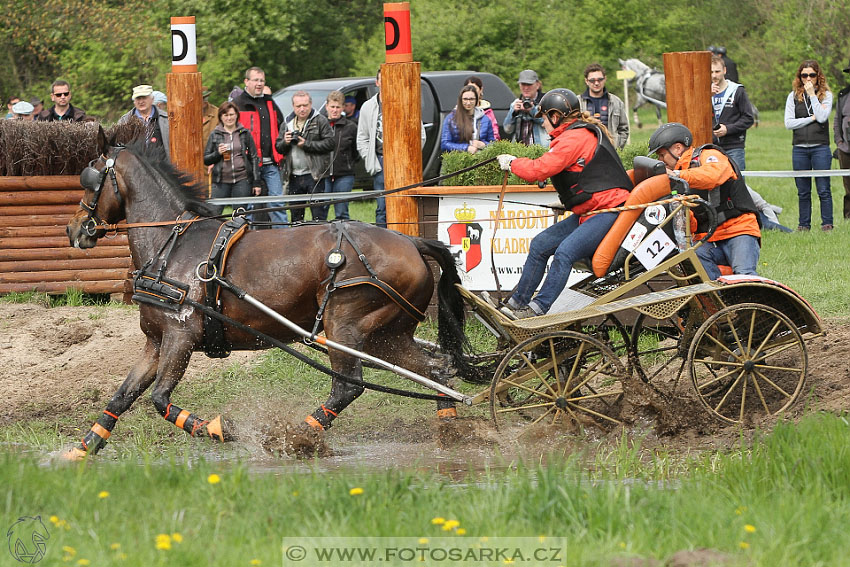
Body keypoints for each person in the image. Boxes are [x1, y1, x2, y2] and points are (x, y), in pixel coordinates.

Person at [496, 89, 633, 319]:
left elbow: (538, 169)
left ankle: (536, 309)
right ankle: (516, 304)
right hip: (590, 211)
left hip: (608, 212)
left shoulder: (573, 138)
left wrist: (512, 163)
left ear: (555, 116)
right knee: (540, 244)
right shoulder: (572, 135)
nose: (542, 124)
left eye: (544, 118)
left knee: (565, 252)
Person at [648, 122, 761, 280]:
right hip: (709, 238)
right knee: (695, 262)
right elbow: (692, 225)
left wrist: (677, 175)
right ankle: (717, 298)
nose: (660, 160)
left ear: (677, 148)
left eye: (661, 155)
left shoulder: (707, 155)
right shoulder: (675, 181)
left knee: (744, 274)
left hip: (739, 230)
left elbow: (713, 175)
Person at [356, 68, 426, 228]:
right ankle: (382, 241)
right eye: (382, 81)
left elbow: (420, 135)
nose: (386, 84)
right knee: (382, 207)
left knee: (405, 203)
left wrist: (410, 158)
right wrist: (370, 159)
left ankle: (406, 238)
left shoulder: (405, 104)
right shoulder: (368, 107)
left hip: (403, 162)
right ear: (377, 82)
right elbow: (362, 138)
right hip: (381, 161)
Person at [784, 60, 834, 231]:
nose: (808, 79)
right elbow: (789, 123)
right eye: (804, 75)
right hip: (799, 148)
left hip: (820, 146)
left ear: (818, 76)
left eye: (811, 75)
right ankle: (803, 224)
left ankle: (827, 224)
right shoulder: (792, 96)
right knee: (803, 191)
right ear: (800, 77)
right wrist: (809, 119)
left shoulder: (826, 95)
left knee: (823, 189)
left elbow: (821, 117)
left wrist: (812, 95)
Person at [235, 66, 287, 227]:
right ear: (246, 81)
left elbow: (281, 125)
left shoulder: (269, 102)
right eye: (256, 80)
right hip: (247, 164)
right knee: (248, 206)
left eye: (262, 80)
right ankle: (247, 238)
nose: (259, 83)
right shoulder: (238, 104)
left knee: (277, 203)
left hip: (270, 162)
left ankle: (284, 236)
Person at [275, 91, 334, 223]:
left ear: (311, 104)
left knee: (318, 216)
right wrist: (285, 142)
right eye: (298, 106)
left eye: (305, 105)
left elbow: (330, 143)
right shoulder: (286, 123)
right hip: (293, 175)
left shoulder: (320, 120)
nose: (302, 109)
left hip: (315, 175)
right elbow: (278, 148)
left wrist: (306, 144)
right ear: (293, 106)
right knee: (296, 216)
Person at [203, 102, 263, 215]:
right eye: (225, 115)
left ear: (236, 115)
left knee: (240, 214)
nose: (229, 118)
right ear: (220, 117)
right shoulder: (215, 134)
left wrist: (256, 182)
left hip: (242, 179)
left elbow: (254, 158)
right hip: (220, 181)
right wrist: (218, 153)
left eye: (231, 114)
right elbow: (206, 159)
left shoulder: (245, 133)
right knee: (213, 213)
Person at [317, 91, 358, 221]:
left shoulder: (351, 127)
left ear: (343, 108)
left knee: (342, 211)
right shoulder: (319, 124)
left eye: (338, 107)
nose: (335, 110)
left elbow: (356, 151)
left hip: (344, 174)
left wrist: (348, 163)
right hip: (323, 174)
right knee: (322, 210)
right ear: (327, 106)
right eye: (332, 107)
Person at [710, 54, 754, 170]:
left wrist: (728, 129)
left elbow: (748, 118)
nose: (714, 75)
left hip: (733, 146)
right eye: (711, 72)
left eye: (717, 71)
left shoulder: (737, 90)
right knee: (716, 186)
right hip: (711, 147)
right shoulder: (704, 92)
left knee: (736, 184)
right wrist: (706, 96)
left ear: (724, 70)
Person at [578, 63, 629, 149]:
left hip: (610, 151)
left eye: (600, 79)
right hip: (585, 151)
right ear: (586, 81)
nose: (596, 83)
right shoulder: (577, 102)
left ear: (605, 79)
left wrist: (617, 147)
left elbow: (624, 129)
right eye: (592, 80)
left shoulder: (616, 102)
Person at [118, 84, 169, 160]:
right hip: (134, 168)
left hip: (161, 167)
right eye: (138, 98)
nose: (141, 101)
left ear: (152, 99)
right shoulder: (124, 121)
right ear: (134, 101)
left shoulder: (166, 119)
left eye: (144, 98)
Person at [440, 85, 495, 154]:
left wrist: (484, 145)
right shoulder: (451, 119)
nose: (468, 103)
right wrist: (466, 148)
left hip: (480, 159)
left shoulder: (485, 119)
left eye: (471, 99)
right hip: (457, 159)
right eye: (465, 99)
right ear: (461, 100)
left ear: (476, 100)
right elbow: (444, 144)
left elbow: (493, 144)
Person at [503, 69, 548, 147]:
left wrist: (532, 110)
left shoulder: (546, 101)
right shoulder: (516, 103)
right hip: (520, 149)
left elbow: (549, 124)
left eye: (529, 84)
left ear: (537, 85)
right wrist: (514, 113)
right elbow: (507, 129)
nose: (526, 88)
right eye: (523, 84)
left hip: (540, 149)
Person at [834, 58, 850, 220]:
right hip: (846, 149)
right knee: (848, 186)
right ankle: (848, 217)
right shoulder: (843, 95)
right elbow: (837, 120)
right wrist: (839, 142)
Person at [464, 76, 500, 140]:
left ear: (481, 90)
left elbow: (495, 135)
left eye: (474, 88)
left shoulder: (488, 112)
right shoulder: (458, 112)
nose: (472, 92)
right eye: (468, 88)